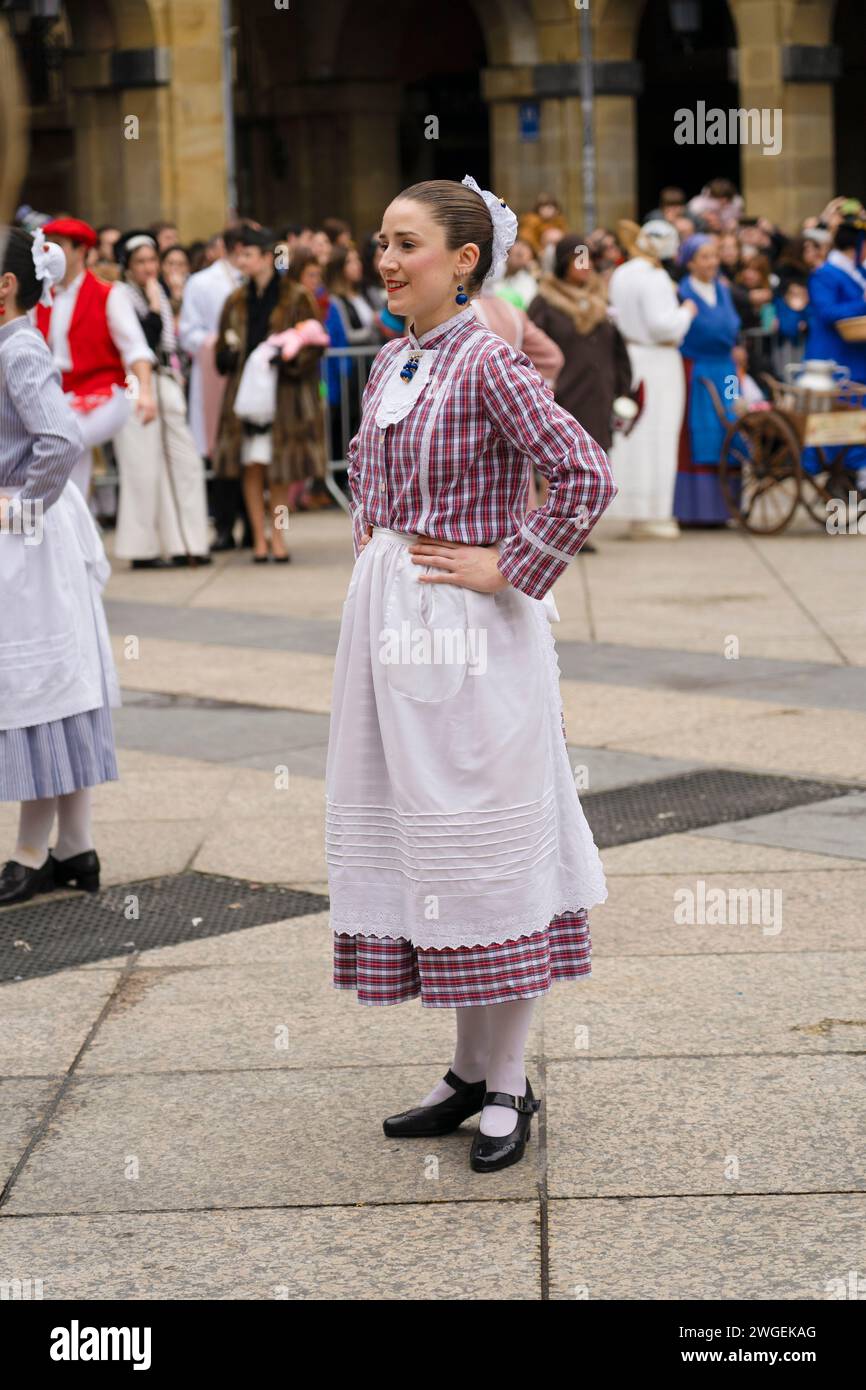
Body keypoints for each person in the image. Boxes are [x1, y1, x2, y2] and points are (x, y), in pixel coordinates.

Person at [326, 174, 617, 1175]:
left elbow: (582, 472)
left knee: (488, 850)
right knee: (432, 854)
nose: (385, 259)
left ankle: (507, 1082)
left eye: (405, 243)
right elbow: (371, 491)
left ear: (461, 262)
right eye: (379, 241)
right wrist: (376, 570)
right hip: (398, 631)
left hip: (477, 637)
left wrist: (509, 563)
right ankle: (463, 1070)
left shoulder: (487, 361)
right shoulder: (389, 364)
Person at [0, 228, 121, 905]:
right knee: (56, 681)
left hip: (29, 537)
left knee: (38, 684)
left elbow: (60, 438)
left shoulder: (17, 346)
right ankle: (75, 846)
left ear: (6, 285)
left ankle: (31, 850)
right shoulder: (12, 343)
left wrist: (16, 509)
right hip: (33, 532)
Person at [214, 226, 328, 561]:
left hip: (284, 397)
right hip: (247, 398)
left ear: (266, 257)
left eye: (248, 254)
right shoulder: (235, 299)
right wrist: (227, 355)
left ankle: (278, 535)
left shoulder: (295, 296)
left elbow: (314, 340)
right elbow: (222, 346)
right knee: (251, 468)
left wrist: (289, 358)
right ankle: (259, 538)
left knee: (279, 473)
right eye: (239, 255)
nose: (242, 261)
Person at [34, 216, 156, 502]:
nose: (50, 253)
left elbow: (136, 350)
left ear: (81, 252)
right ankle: (73, 531)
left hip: (104, 393)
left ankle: (51, 522)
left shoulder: (110, 295)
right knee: (68, 469)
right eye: (47, 246)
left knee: (59, 443)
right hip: (59, 398)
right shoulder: (40, 298)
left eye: (59, 246)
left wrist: (146, 394)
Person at [111, 230, 210, 567]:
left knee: (185, 463)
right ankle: (143, 548)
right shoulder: (121, 295)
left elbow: (169, 341)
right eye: (140, 262)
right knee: (142, 465)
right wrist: (155, 300)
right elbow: (144, 338)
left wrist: (158, 297)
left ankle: (189, 543)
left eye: (152, 260)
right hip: (136, 381)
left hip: (166, 377)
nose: (148, 267)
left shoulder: (159, 293)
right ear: (127, 265)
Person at [606, 219, 696, 538]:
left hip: (632, 356)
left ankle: (633, 508)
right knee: (659, 432)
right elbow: (663, 325)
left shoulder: (622, 272)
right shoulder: (655, 277)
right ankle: (653, 512)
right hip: (657, 358)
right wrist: (686, 311)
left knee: (632, 432)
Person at [528, 232, 632, 454]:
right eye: (578, 259)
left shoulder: (601, 301)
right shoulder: (545, 302)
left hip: (599, 400)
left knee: (601, 468)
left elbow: (617, 351)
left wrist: (624, 391)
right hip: (562, 403)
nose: (585, 265)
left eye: (589, 259)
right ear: (564, 262)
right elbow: (529, 354)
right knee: (560, 473)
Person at [178, 226, 245, 548]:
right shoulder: (202, 282)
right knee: (220, 450)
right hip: (214, 374)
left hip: (247, 377)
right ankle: (223, 524)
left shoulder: (256, 281)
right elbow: (188, 331)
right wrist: (217, 343)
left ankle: (252, 525)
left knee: (249, 450)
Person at [672, 234, 742, 526]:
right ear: (690, 262)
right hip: (697, 369)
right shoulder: (682, 292)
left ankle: (727, 507)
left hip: (726, 369)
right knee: (698, 432)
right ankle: (695, 509)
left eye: (714, 256)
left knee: (731, 424)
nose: (712, 262)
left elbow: (730, 326)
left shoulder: (723, 290)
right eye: (705, 257)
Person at [802, 214, 866, 486]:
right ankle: (838, 473)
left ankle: (855, 472)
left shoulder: (859, 273)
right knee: (835, 421)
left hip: (857, 356)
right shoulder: (824, 274)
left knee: (858, 419)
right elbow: (828, 312)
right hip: (833, 358)